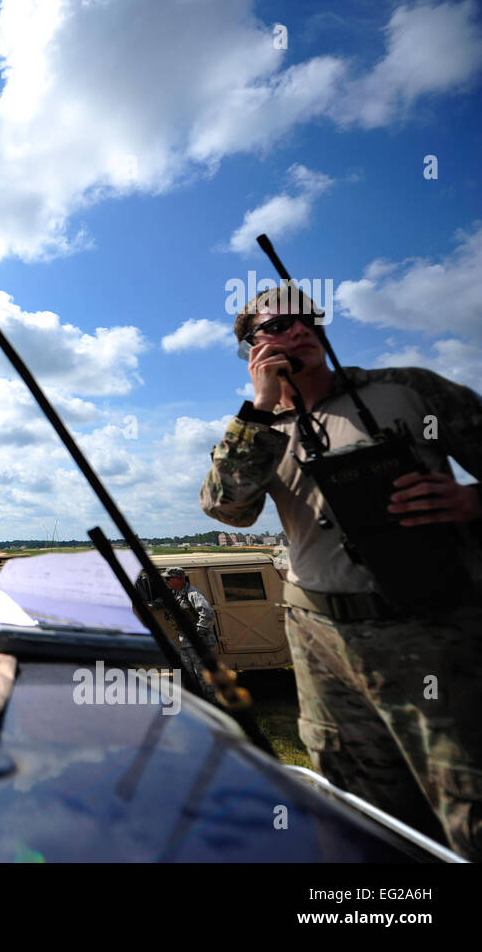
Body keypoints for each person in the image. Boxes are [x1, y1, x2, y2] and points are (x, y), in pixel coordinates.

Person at [201, 284, 482, 858]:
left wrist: (471, 503)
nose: (298, 329)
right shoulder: (257, 432)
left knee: (467, 795)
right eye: (277, 327)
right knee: (356, 806)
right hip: (320, 643)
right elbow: (227, 507)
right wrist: (259, 407)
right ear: (251, 350)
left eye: (307, 318)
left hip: (431, 630)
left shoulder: (407, 391)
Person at [162, 567, 218, 700]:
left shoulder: (193, 594)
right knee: (187, 674)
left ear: (179, 579)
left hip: (198, 642)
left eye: (169, 578)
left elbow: (208, 614)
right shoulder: (178, 594)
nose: (167, 581)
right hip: (185, 642)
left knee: (203, 675)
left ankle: (214, 705)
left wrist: (198, 632)